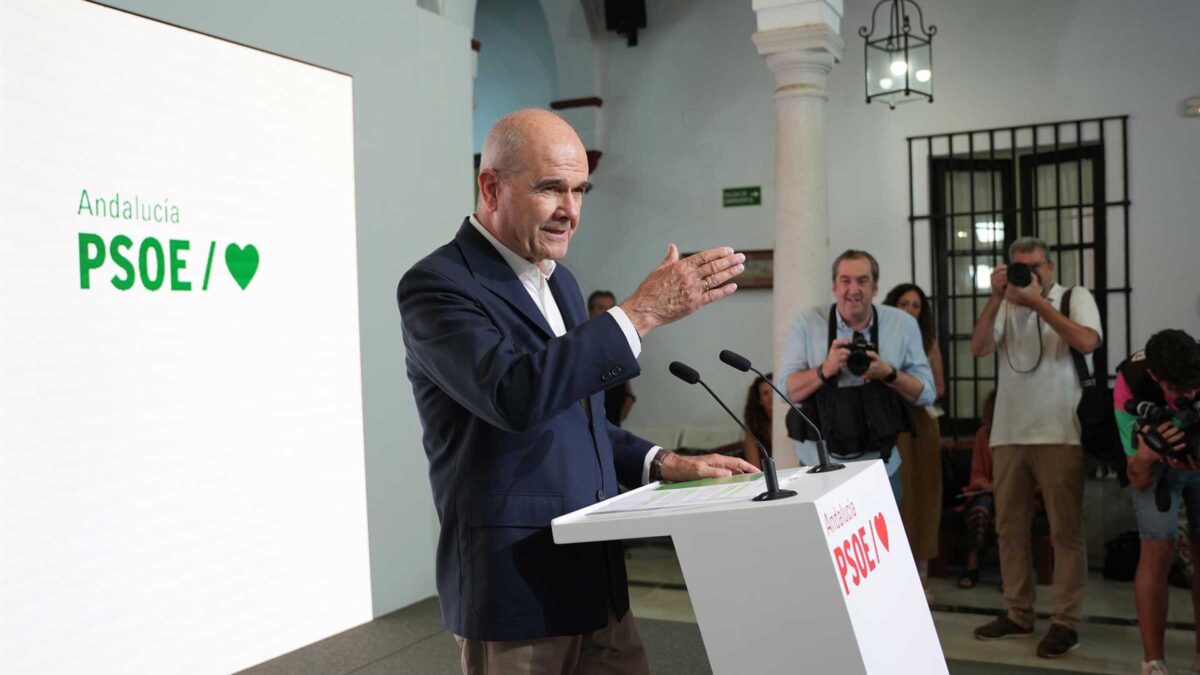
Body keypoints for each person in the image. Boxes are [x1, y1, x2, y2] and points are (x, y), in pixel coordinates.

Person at [397, 108, 757, 674]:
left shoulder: (560, 281)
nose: (570, 210)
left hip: (599, 584)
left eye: (580, 190)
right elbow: (513, 396)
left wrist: (663, 462)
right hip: (518, 589)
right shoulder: (436, 285)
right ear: (491, 187)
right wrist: (639, 313)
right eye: (551, 189)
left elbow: (578, 420)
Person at [969, 236, 1102, 659]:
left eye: (1036, 266)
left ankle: (1065, 622)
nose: (1030, 273)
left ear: (1051, 266)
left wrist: (1037, 302)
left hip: (1061, 431)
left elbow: (1086, 341)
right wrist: (997, 298)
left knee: (1065, 532)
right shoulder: (1005, 303)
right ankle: (1018, 612)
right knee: (1009, 529)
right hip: (1008, 432)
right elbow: (978, 348)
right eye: (1019, 267)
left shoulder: (1073, 296)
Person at [777, 250, 936, 503]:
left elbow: (927, 394)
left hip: (881, 467)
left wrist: (888, 373)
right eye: (845, 280)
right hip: (818, 468)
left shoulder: (902, 324)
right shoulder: (808, 322)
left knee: (883, 542)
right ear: (833, 286)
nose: (854, 290)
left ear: (875, 288)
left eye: (863, 281)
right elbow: (784, 392)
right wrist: (825, 370)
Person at [1111, 329, 1200, 675]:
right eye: (1178, 390)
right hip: (1154, 464)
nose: (1190, 395)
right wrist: (1147, 454)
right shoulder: (1130, 383)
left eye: (1194, 386)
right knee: (1157, 550)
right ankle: (1153, 662)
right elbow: (1138, 478)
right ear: (1155, 377)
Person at [884, 283, 946, 596]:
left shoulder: (927, 341)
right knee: (895, 494)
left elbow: (938, 387)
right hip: (887, 420)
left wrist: (906, 382)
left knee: (922, 494)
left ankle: (921, 577)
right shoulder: (878, 335)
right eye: (903, 303)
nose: (909, 310)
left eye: (916, 306)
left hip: (920, 422)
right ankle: (893, 575)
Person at [959, 389, 998, 590]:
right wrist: (989, 486)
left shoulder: (1020, 434)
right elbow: (977, 473)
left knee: (1008, 514)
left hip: (1015, 493)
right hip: (986, 490)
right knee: (980, 510)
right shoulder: (983, 434)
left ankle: (1010, 574)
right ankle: (971, 566)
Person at [588, 290, 636, 426]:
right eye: (601, 308)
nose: (607, 313)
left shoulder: (619, 344)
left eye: (610, 308)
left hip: (612, 424)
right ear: (590, 312)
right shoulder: (581, 343)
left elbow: (628, 394)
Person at [742, 372, 773, 469]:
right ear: (759, 400)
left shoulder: (793, 420)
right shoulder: (754, 428)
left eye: (773, 391)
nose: (771, 397)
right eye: (765, 393)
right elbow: (755, 469)